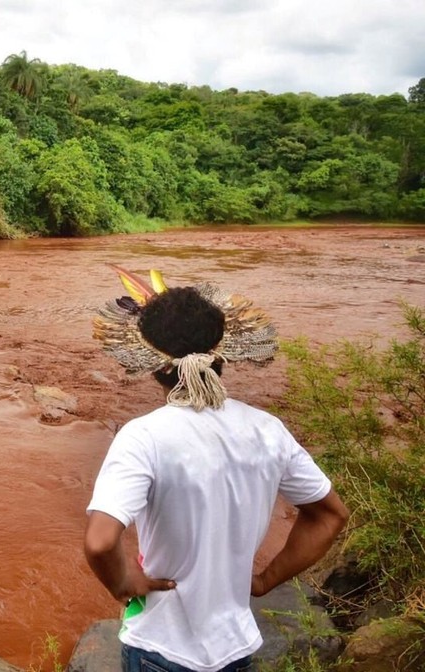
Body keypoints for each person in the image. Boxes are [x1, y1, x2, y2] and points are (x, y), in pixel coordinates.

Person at [83, 268, 349, 672]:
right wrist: (264, 580)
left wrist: (123, 583)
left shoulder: (144, 437)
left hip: (159, 646)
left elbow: (101, 543)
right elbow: (331, 514)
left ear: (153, 365)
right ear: (224, 355)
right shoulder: (267, 430)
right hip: (236, 647)